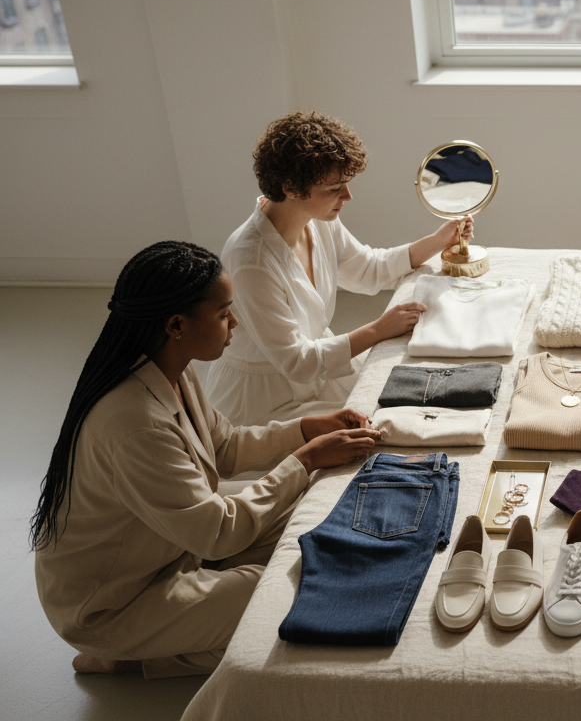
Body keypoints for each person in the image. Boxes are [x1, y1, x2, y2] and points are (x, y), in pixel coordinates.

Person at [31, 241, 382, 678]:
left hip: (170, 548)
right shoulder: (135, 424)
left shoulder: (170, 366)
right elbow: (218, 533)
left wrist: (307, 428)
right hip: (115, 606)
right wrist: (305, 458)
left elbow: (225, 445)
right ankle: (123, 656)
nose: (235, 322)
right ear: (176, 323)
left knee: (314, 519)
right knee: (288, 594)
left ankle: (171, 635)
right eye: (223, 314)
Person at [203, 111, 474, 425]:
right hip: (266, 403)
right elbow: (297, 362)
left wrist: (438, 240)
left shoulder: (317, 220)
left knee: (413, 389)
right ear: (291, 188)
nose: (347, 196)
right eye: (334, 189)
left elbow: (368, 270)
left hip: (320, 372)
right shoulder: (251, 261)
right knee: (388, 422)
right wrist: (378, 329)